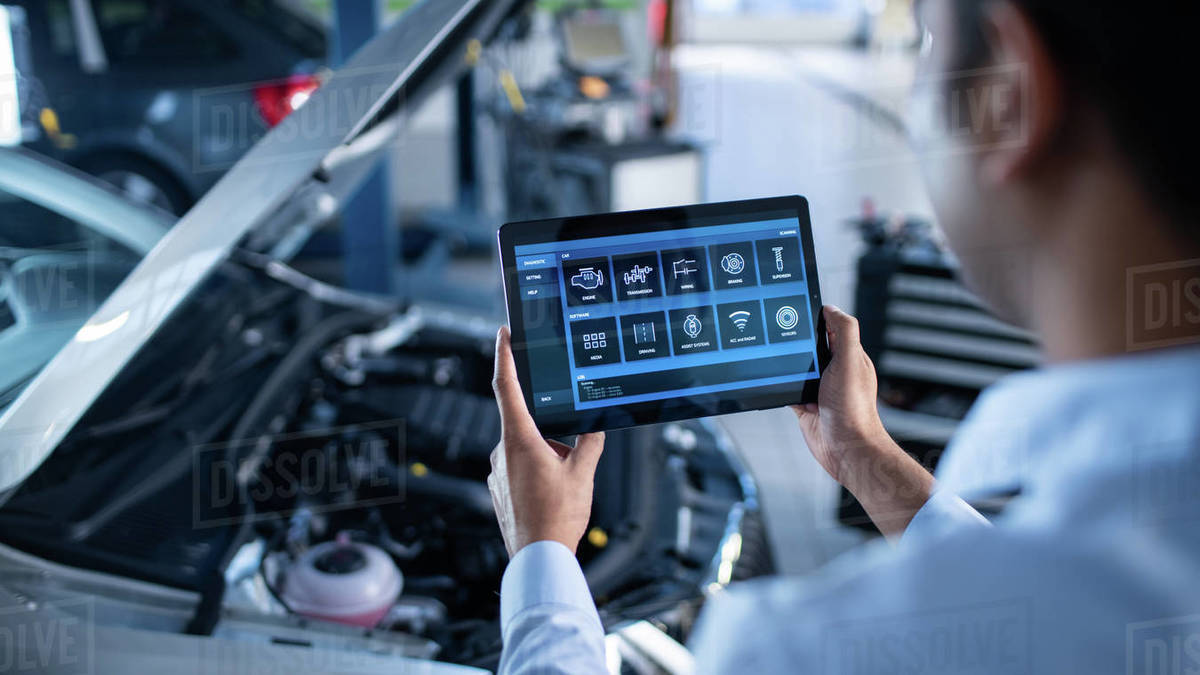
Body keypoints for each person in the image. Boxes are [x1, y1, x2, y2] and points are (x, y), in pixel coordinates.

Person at [487, 0, 1200, 671]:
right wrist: (864, 454)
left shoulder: (806, 650)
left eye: (926, 43)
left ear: (1009, 93)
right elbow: (1040, 590)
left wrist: (543, 555)